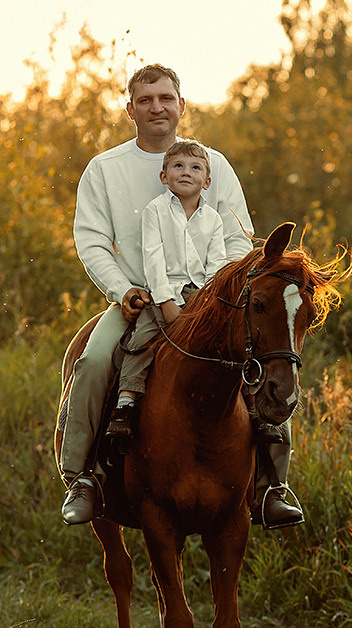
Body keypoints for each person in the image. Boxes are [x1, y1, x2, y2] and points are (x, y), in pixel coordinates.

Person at [58, 63, 304, 530]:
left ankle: (272, 485)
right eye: (146, 100)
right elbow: (91, 240)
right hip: (136, 299)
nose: (157, 107)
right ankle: (82, 478)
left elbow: (238, 239)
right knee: (91, 362)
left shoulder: (213, 164)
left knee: (266, 358)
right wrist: (122, 289)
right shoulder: (104, 169)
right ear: (130, 108)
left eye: (166, 98)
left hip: (213, 301)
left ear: (181, 106)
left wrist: (215, 293)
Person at [102, 139, 228, 437]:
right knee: (142, 339)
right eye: (178, 166)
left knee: (229, 339)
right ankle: (126, 401)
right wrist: (166, 301)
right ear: (164, 176)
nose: (186, 172)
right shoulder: (155, 211)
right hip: (163, 291)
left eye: (195, 168)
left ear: (207, 181)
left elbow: (217, 263)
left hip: (201, 294)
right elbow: (152, 258)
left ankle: (248, 407)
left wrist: (208, 300)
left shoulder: (213, 219)